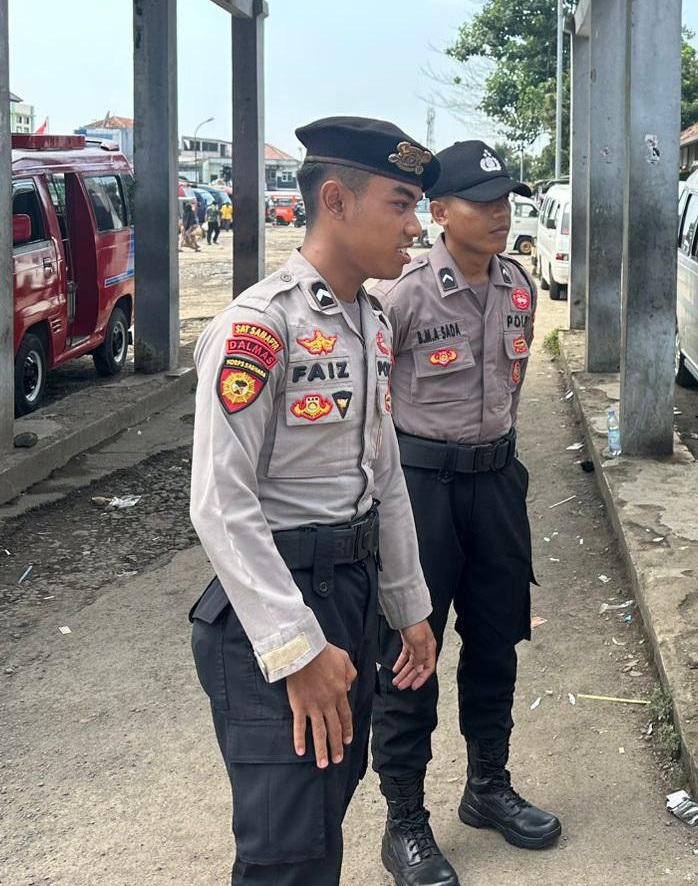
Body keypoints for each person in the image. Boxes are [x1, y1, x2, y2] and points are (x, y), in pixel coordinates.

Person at [188, 116, 443, 885]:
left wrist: (408, 606)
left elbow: (384, 472)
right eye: (400, 204)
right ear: (336, 200)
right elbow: (220, 502)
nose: (416, 225)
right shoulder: (259, 327)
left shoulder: (370, 322)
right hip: (279, 605)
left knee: (326, 802)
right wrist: (295, 651)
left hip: (351, 592)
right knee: (286, 850)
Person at [369, 140, 559, 886]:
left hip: (495, 484)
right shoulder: (402, 293)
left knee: (495, 642)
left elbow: (510, 389)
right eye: (482, 203)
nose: (499, 213)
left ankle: (487, 787)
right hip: (421, 492)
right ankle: (405, 821)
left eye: (505, 199)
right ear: (438, 212)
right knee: (411, 656)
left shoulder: (519, 286)